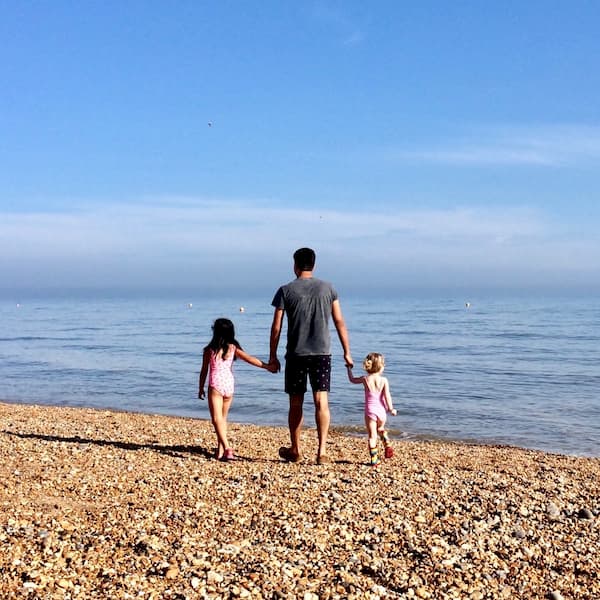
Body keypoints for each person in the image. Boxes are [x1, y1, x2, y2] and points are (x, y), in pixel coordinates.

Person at [269, 247, 353, 465]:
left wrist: (272, 356)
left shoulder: (285, 290)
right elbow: (339, 321)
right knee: (321, 401)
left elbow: (276, 327)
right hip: (322, 352)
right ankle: (321, 452)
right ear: (313, 265)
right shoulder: (328, 289)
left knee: (295, 402)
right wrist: (347, 352)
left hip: (296, 353)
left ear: (295, 265)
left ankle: (295, 450)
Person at [199, 318, 275, 461]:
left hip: (215, 385)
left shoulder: (209, 350)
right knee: (222, 419)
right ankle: (219, 451)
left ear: (215, 331)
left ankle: (227, 448)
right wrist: (267, 367)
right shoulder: (233, 348)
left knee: (216, 419)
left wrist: (200, 387)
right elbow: (250, 359)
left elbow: (204, 371)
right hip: (229, 385)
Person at [347, 352, 397, 467]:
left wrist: (349, 369)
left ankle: (374, 459)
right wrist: (391, 408)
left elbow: (352, 380)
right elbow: (387, 395)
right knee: (381, 428)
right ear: (380, 367)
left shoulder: (365, 379)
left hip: (370, 411)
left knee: (372, 436)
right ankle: (387, 443)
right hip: (381, 411)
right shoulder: (384, 380)